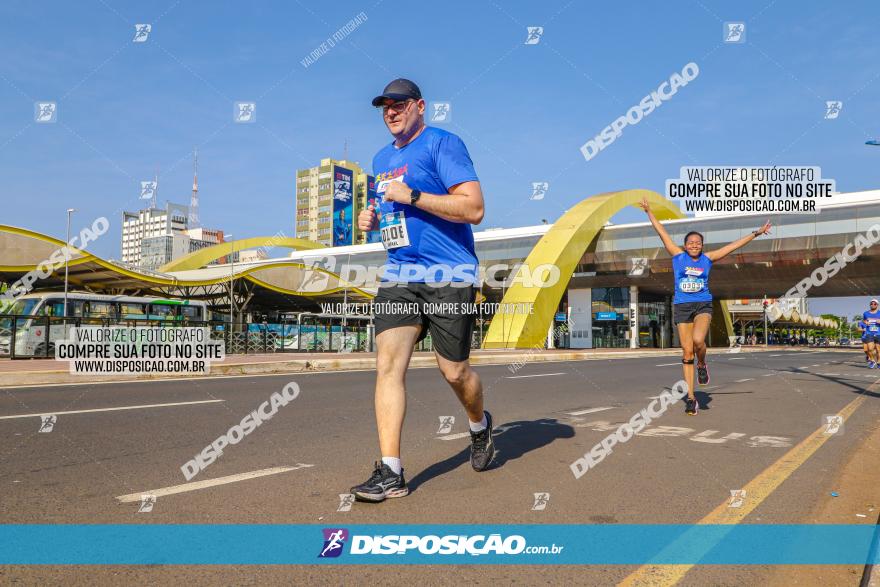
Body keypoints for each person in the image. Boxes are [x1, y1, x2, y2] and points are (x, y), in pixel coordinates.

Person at [350, 79, 492, 502]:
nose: (390, 112)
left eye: (398, 104)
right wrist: (373, 220)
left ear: (420, 107)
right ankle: (391, 471)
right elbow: (395, 215)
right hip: (400, 275)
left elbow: (474, 208)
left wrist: (411, 194)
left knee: (455, 372)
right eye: (384, 107)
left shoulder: (442, 144)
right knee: (388, 366)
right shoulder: (380, 158)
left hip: (449, 274)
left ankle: (480, 424)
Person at [639, 197, 771, 415]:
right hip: (682, 306)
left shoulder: (707, 259)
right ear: (685, 245)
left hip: (702, 305)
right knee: (686, 350)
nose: (694, 245)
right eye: (691, 242)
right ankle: (691, 398)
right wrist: (649, 212)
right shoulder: (677, 256)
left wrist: (756, 233)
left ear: (702, 246)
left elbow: (732, 246)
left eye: (698, 243)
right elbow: (661, 232)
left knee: (698, 341)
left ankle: (702, 364)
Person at [862, 299, 880, 368]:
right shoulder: (866, 313)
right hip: (869, 333)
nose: (873, 305)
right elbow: (863, 320)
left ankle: (879, 362)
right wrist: (865, 322)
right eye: (871, 304)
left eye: (874, 304)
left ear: (877, 305)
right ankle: (872, 360)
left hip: (879, 333)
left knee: (878, 350)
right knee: (869, 349)